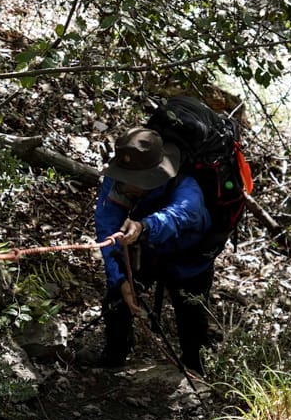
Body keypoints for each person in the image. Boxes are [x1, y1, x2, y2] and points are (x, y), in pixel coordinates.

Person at [79, 126, 216, 373]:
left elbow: (183, 215)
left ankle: (195, 366)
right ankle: (114, 354)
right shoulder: (117, 181)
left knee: (191, 311)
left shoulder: (187, 184)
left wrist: (144, 226)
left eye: (137, 182)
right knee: (117, 297)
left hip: (189, 257)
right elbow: (107, 227)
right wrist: (120, 279)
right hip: (145, 251)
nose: (128, 186)